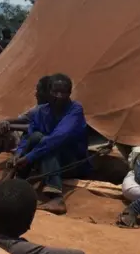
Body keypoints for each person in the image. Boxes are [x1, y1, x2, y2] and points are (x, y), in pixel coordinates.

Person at [12, 74, 88, 215]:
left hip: (73, 162)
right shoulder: (41, 111)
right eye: (54, 91)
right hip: (47, 160)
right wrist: (19, 153)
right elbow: (29, 134)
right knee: (36, 137)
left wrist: (29, 157)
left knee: (48, 143)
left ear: (70, 93)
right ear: (48, 92)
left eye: (63, 92)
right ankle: (20, 182)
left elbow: (57, 138)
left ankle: (56, 198)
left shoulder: (75, 110)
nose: (58, 96)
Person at [0, 75, 51, 181]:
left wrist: (11, 126)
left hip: (39, 148)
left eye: (39, 91)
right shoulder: (37, 109)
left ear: (47, 93)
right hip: (25, 143)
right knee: (3, 135)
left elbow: (34, 127)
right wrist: (6, 123)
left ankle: (11, 178)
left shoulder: (54, 111)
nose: (36, 94)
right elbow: (21, 119)